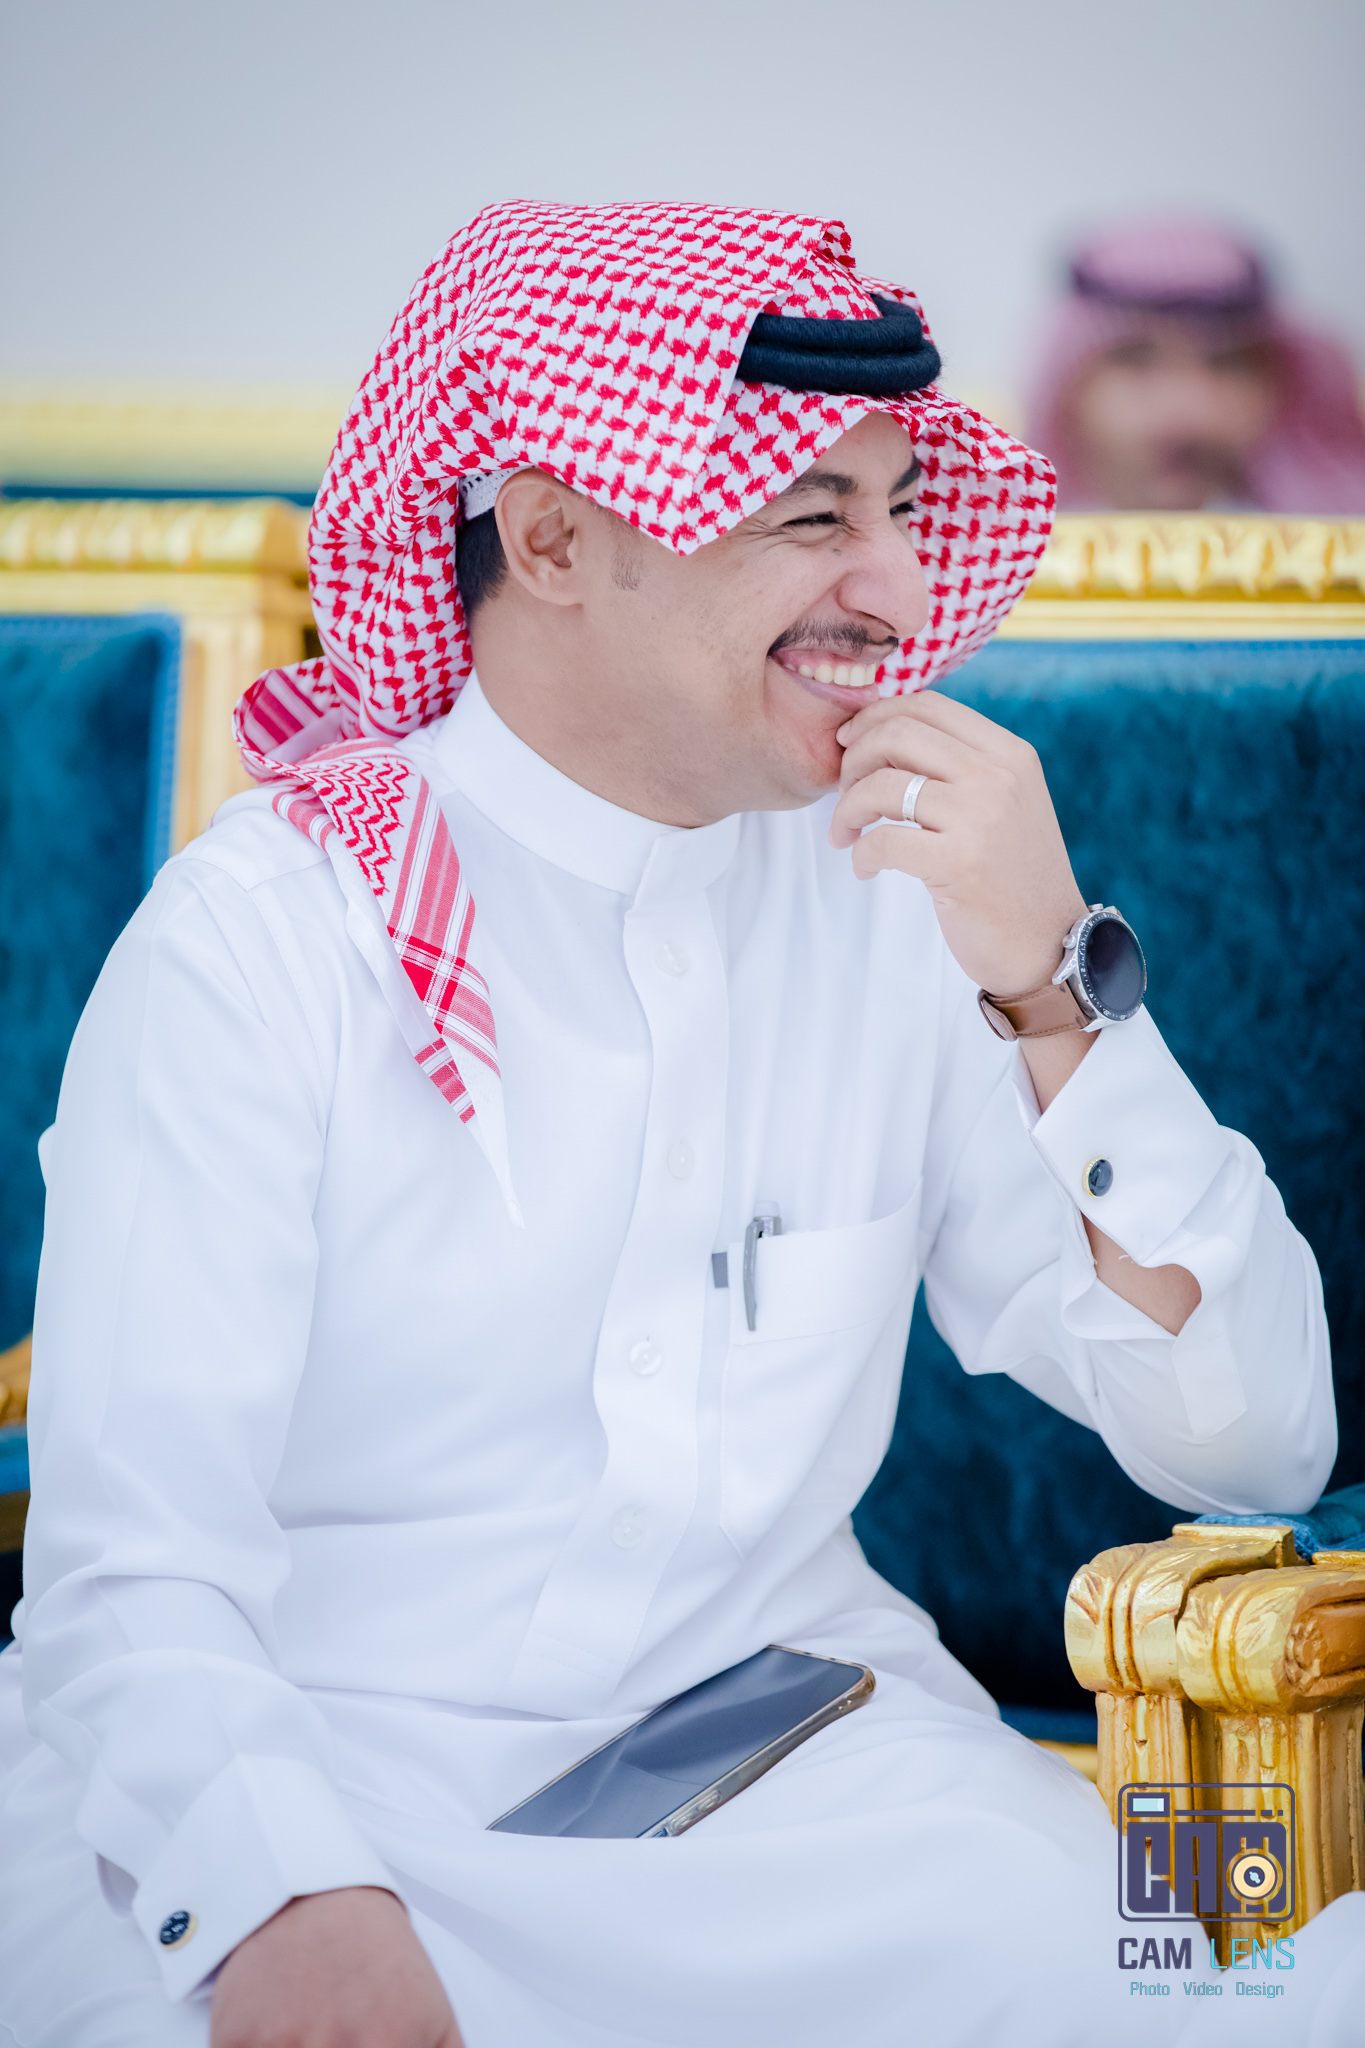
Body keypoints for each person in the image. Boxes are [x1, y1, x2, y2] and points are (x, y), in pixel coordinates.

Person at [0, 200, 1354, 2048]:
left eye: (902, 508)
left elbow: (1258, 1440)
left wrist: (1057, 987)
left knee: (1263, 1987)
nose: (896, 586)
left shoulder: (905, 902)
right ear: (555, 535)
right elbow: (132, 1573)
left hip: (806, 1782)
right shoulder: (265, 941)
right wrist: (281, 1907)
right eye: (813, 515)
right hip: (299, 1795)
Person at [1027, 214, 1365, 513]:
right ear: (1069, 385)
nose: (1189, 411)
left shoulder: (1332, 552)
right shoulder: (1018, 551)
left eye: (1227, 364)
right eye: (1136, 360)